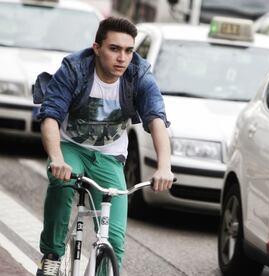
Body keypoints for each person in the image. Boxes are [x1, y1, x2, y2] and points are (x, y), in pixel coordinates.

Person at [35, 17, 174, 276]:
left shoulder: (139, 76)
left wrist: (164, 167)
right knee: (62, 183)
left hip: (109, 157)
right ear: (97, 47)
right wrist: (56, 158)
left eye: (128, 50)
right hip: (71, 148)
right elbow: (50, 115)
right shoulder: (75, 68)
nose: (122, 58)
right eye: (114, 49)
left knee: (115, 239)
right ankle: (52, 255)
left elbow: (156, 120)